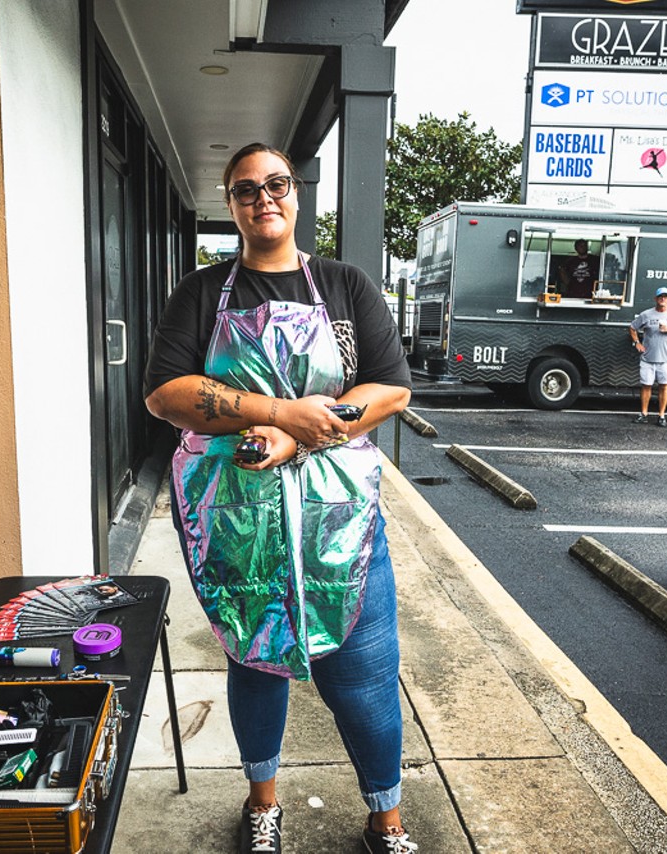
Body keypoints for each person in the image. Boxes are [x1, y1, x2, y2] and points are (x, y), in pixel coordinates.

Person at [144, 143, 416, 854]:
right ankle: (262, 804)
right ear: (231, 204)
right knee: (257, 661)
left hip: (342, 519)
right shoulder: (202, 294)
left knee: (363, 675)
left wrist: (304, 433)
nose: (263, 197)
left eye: (277, 184)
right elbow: (167, 394)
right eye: (245, 189)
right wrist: (273, 412)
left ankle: (386, 818)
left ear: (296, 195)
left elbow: (389, 386)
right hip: (238, 521)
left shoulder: (345, 284)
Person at [630, 286, 667, 426]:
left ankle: (661, 416)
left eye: (666, 296)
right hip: (648, 358)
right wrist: (637, 342)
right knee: (646, 386)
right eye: (660, 296)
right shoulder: (646, 315)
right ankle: (644, 414)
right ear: (655, 299)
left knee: (664, 386)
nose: (663, 299)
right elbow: (632, 327)